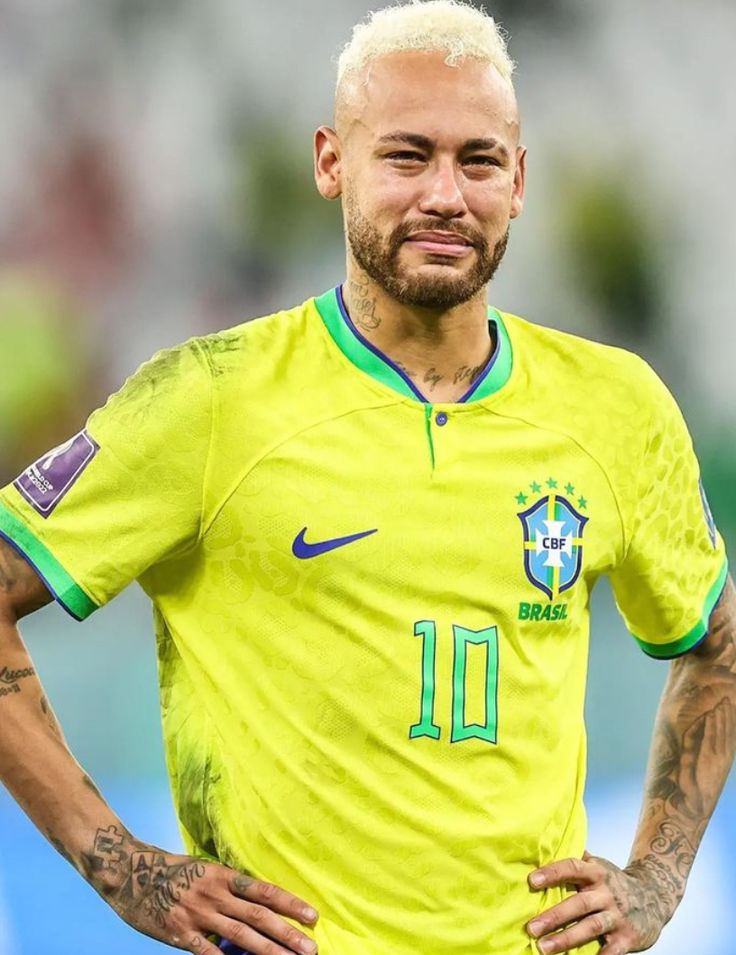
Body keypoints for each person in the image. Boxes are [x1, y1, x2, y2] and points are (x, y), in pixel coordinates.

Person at [0, 3, 733, 954]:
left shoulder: (619, 406)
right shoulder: (211, 399)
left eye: (477, 161)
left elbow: (714, 642)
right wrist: (120, 862)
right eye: (405, 156)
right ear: (330, 162)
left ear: (519, 180)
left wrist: (661, 873)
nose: (444, 194)